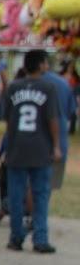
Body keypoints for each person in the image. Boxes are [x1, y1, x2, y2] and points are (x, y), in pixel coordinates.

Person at [2, 50, 63, 254]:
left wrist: (8, 145)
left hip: (17, 147)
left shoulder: (13, 87)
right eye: (46, 63)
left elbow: (8, 119)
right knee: (40, 195)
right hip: (40, 148)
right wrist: (55, 145)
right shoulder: (48, 88)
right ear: (41, 65)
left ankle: (16, 237)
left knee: (16, 194)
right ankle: (40, 239)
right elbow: (52, 119)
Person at [40, 59, 76, 190]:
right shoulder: (63, 84)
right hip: (59, 141)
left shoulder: (25, 83)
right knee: (48, 186)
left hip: (31, 142)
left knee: (29, 184)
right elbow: (70, 111)